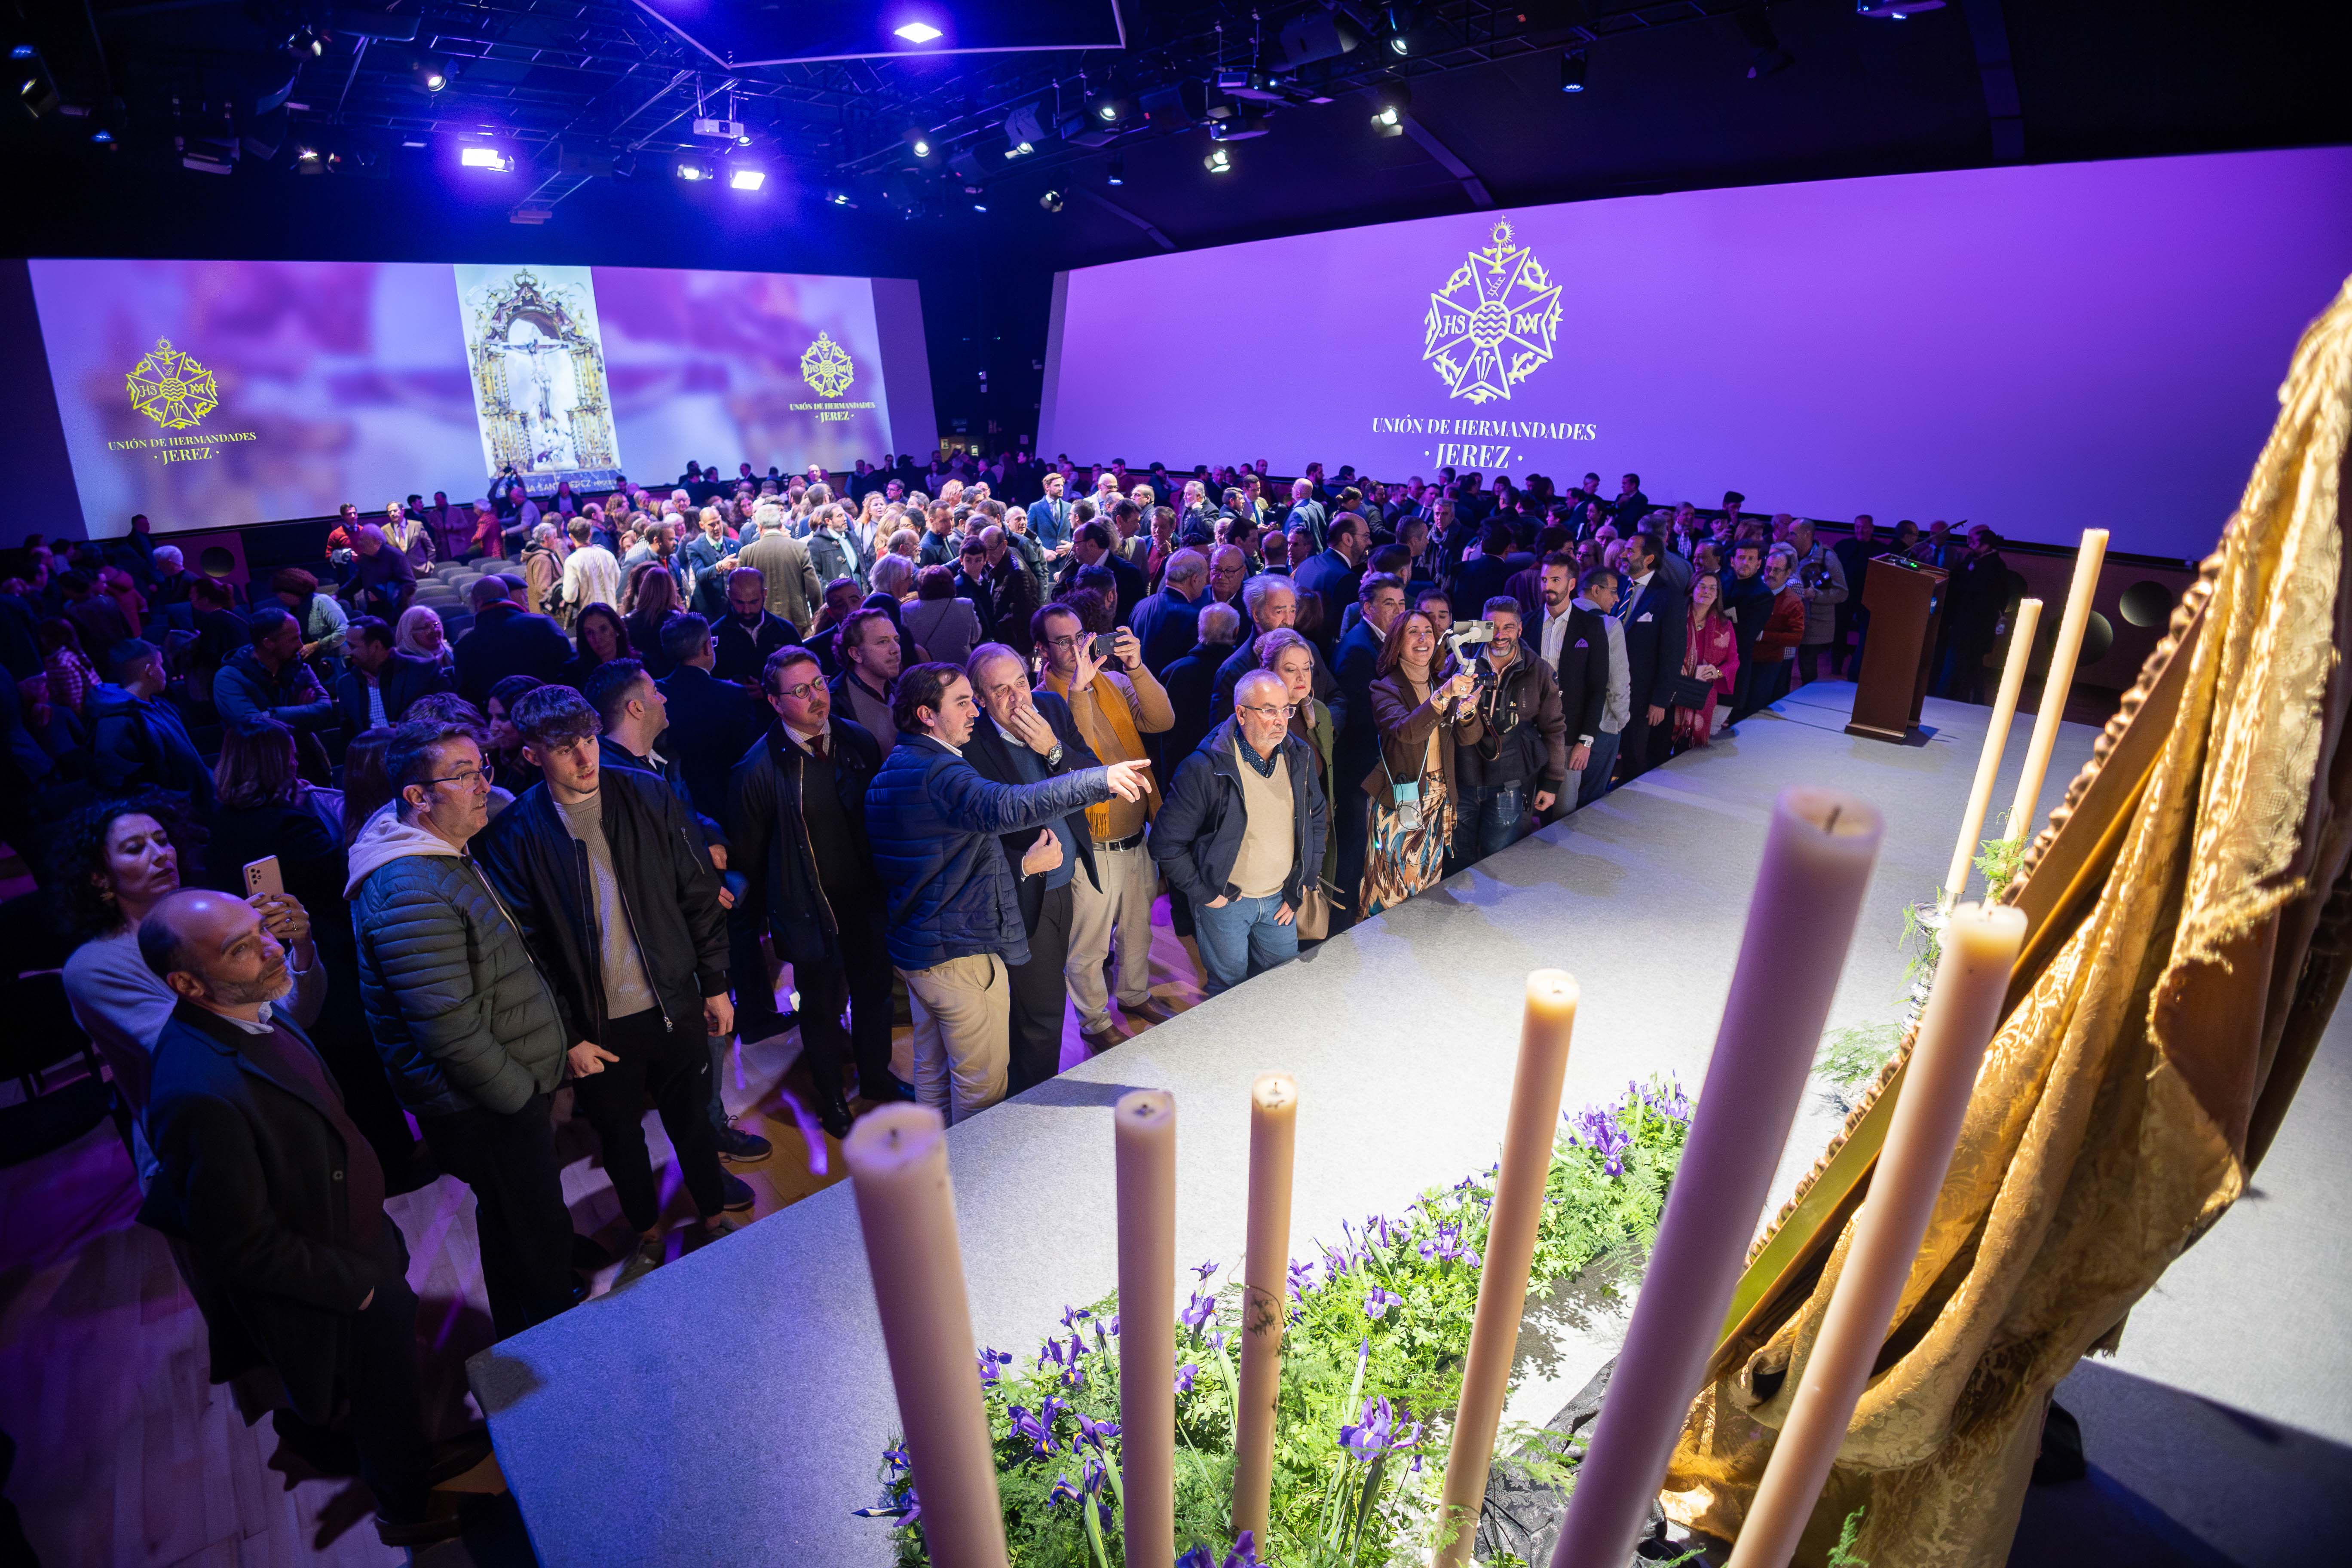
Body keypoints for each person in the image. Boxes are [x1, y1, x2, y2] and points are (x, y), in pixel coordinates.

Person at [134, 888, 470, 1547]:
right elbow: (242, 1247)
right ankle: (408, 1510)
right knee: (378, 1402)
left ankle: (417, 1465)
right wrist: (362, 1287)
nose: (268, 947)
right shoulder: (196, 1090)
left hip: (361, 1241)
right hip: (339, 1281)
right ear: (185, 982)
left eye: (261, 929)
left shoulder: (250, 1005)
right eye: (240, 947)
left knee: (396, 1390)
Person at [476, 687, 744, 1282]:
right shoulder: (515, 834)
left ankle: (711, 1216)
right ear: (531, 755)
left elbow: (698, 897)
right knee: (620, 1139)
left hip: (673, 1000)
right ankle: (647, 1233)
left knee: (694, 1123)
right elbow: (528, 953)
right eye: (565, 748)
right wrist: (567, 1035)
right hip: (598, 1026)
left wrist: (717, 984)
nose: (585, 758)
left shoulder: (648, 795)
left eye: (590, 741)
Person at [345, 718, 574, 1339]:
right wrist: (520, 1097)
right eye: (464, 775)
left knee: (512, 1228)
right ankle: (570, 1366)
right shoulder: (409, 885)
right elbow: (447, 1028)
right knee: (537, 1236)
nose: (482, 786)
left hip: (497, 1097)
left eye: (483, 770)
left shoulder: (436, 856)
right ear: (418, 797)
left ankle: (531, 1341)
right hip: (485, 1106)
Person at [863, 663, 1147, 1124]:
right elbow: (1008, 806)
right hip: (961, 954)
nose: (973, 710)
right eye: (962, 702)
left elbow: (936, 864)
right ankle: (980, 1186)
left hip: (918, 955)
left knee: (933, 1073)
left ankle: (935, 1178)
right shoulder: (942, 774)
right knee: (982, 1093)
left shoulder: (891, 772)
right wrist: (1098, 780)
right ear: (926, 715)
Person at [57, 797, 325, 1173]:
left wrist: (300, 945)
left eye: (162, 840)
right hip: (208, 1142)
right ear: (99, 876)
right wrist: (240, 959)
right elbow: (203, 1053)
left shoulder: (207, 922)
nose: (162, 855)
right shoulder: (93, 967)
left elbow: (299, 1014)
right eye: (136, 849)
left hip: (284, 1106)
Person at [729, 647, 894, 1136]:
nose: (816, 697)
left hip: (865, 901)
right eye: (800, 691)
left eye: (819, 683)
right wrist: (766, 925)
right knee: (819, 1010)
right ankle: (831, 1101)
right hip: (808, 911)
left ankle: (877, 1077)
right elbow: (749, 859)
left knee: (874, 994)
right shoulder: (757, 770)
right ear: (777, 703)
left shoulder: (857, 741)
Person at [959, 644, 1102, 1094]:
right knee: (1039, 1014)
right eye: (1000, 690)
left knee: (1050, 999)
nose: (1017, 696)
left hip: (1068, 877)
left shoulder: (1054, 708)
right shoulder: (969, 744)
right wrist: (1022, 865)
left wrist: (1054, 750)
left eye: (1021, 681)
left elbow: (1093, 777)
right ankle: (1035, 1111)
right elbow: (969, 840)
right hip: (1019, 891)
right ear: (980, 700)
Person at [1035, 605, 1174, 1045]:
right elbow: (1072, 757)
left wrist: (1136, 668)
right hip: (1090, 846)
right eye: (1063, 641)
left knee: (1138, 930)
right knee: (1090, 946)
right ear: (1041, 650)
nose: (1076, 647)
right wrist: (1078, 690)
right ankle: (1094, 1023)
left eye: (1081, 636)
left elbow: (1162, 720)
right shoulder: (1043, 702)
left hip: (1137, 834)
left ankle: (1134, 995)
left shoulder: (1111, 681)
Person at [1152, 666, 1328, 996]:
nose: (1281, 720)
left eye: (1286, 710)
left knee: (1284, 986)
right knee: (1229, 994)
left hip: (1280, 899)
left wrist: (1303, 881)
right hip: (1227, 903)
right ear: (1241, 713)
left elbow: (1317, 817)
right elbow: (1165, 843)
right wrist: (1206, 894)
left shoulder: (1298, 756)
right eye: (1269, 711)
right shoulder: (1204, 768)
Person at [1361, 610, 1483, 916]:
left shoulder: (1442, 683)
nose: (1423, 638)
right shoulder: (1385, 688)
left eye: (1429, 631)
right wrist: (1445, 695)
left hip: (1439, 796)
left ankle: (1421, 948)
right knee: (1390, 886)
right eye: (1413, 632)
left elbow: (1470, 739)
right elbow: (1408, 731)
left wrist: (1467, 712)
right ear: (1397, 643)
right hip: (1400, 799)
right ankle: (1381, 950)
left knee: (1428, 881)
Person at [1452, 599, 1567, 864]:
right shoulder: (1460, 661)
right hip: (1462, 779)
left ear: (1520, 630)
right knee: (1457, 862)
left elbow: (1554, 728)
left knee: (1499, 861)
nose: (1500, 635)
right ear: (1481, 627)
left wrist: (1552, 783)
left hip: (1510, 783)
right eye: (1492, 627)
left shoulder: (1539, 670)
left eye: (1509, 627)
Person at [87, 639, 214, 809]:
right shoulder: (116, 724)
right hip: (173, 814)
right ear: (149, 671)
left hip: (198, 803)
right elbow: (126, 788)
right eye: (160, 665)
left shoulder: (161, 705)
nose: (164, 672)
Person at [1610, 531, 1688, 783]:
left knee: (1634, 756)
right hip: (1607, 685)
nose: (1623, 554)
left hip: (1641, 695)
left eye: (1630, 551)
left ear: (1648, 559)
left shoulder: (1669, 596)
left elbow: (1673, 653)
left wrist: (1661, 700)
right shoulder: (1618, 585)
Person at [1210, 576, 1339, 724]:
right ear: (1257, 615)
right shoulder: (1234, 670)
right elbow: (1224, 734)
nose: (1288, 620)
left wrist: (1326, 731)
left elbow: (1335, 696)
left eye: (1292, 611)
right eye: (1280, 612)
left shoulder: (1308, 649)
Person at [215, 606, 337, 737]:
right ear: (268, 644)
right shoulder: (228, 678)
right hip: (259, 755)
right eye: (294, 639)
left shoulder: (297, 666)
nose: (301, 645)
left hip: (301, 749)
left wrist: (271, 715)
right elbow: (251, 725)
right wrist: (299, 712)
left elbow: (325, 707)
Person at [453, 575, 570, 709]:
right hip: (552, 711)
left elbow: (467, 698)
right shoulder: (543, 624)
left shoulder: (464, 646)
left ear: (478, 602)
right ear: (507, 596)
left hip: (497, 724)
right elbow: (570, 668)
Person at [334, 616, 448, 732]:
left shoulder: (423, 671)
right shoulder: (346, 685)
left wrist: (407, 730)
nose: (346, 651)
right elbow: (349, 737)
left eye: (352, 646)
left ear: (376, 646)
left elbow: (448, 714)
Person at [1674, 570, 1741, 749]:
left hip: (1703, 692)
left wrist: (1718, 672)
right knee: (1664, 739)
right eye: (1702, 586)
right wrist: (1673, 663)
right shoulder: (1676, 617)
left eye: (1713, 588)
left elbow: (1734, 661)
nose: (1707, 591)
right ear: (1691, 590)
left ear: (1718, 595)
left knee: (1693, 748)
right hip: (1674, 687)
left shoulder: (1724, 625)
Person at [1782, 519, 1849, 687]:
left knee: (1808, 668)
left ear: (1807, 535)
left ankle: (1807, 706)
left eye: (1793, 534)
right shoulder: (1791, 555)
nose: (1789, 537)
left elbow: (1842, 593)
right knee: (1787, 665)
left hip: (1815, 624)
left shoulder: (1828, 558)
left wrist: (1816, 595)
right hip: (1793, 621)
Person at [1292, 511, 1369, 652]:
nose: (1369, 542)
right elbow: (1344, 634)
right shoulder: (1347, 579)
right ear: (1348, 539)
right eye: (1366, 537)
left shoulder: (1306, 564)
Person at [829, 606, 903, 753]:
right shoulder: (836, 705)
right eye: (883, 642)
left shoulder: (903, 690)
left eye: (896, 640)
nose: (896, 649)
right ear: (856, 654)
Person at [739, 510, 824, 635]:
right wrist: (817, 615)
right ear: (780, 526)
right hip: (798, 624)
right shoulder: (800, 548)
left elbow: (740, 591)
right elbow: (813, 587)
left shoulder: (746, 553)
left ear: (760, 527)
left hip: (762, 626)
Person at [1128, 548, 1207, 676]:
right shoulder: (1193, 617)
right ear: (1195, 580)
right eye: (1205, 579)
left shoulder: (1141, 606)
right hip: (1167, 693)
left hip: (1136, 688)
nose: (1206, 584)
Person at [1749, 544, 1810, 713]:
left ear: (1788, 573)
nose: (1770, 574)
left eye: (1777, 571)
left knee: (1756, 705)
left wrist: (1763, 636)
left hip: (1768, 662)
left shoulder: (1793, 602)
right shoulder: (1754, 590)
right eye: (1768, 569)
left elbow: (1796, 638)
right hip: (1744, 658)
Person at [903, 564, 984, 670]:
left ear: (921, 586)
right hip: (963, 668)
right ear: (951, 584)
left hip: (930, 670)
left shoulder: (907, 609)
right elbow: (975, 637)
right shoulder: (965, 604)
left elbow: (909, 646)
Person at [1833, 515, 1877, 678]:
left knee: (1866, 633)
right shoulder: (1844, 546)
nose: (1861, 531)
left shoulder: (1881, 550)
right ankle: (1836, 668)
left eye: (1865, 527)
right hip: (1845, 596)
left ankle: (1859, 670)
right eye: (1857, 527)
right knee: (1839, 632)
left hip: (1868, 598)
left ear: (1872, 529)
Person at [620, 568, 684, 680]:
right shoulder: (677, 621)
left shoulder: (626, 621)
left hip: (638, 681)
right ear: (670, 590)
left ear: (644, 589)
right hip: (672, 681)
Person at [347, 525, 417, 620]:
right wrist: (338, 595)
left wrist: (383, 595)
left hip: (398, 614)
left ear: (376, 541)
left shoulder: (396, 556)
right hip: (375, 612)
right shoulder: (364, 558)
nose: (359, 543)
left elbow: (410, 585)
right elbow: (358, 581)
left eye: (363, 540)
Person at [558, 518, 621, 620]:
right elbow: (618, 583)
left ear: (571, 536)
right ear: (590, 534)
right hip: (611, 613)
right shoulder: (608, 555)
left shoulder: (572, 561)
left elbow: (570, 597)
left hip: (589, 618)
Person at [560, 603, 631, 691]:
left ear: (616, 628)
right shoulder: (572, 675)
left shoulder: (639, 664)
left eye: (603, 629)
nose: (598, 638)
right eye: (590, 633)